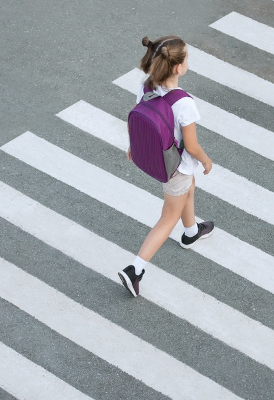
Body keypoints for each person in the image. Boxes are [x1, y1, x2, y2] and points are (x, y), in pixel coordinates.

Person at [118, 35, 214, 297]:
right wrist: (206, 160)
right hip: (175, 166)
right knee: (167, 217)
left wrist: (133, 146)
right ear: (178, 67)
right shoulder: (184, 103)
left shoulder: (146, 86)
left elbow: (136, 118)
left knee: (188, 188)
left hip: (156, 157)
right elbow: (192, 147)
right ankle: (134, 270)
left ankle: (191, 232)